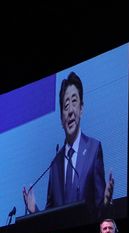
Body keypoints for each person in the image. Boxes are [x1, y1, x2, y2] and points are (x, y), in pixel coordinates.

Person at [22, 71, 114, 219]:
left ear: (81, 108)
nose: (70, 110)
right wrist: (35, 210)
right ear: (61, 119)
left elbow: (99, 211)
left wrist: (105, 202)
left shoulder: (94, 148)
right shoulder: (55, 163)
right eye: (65, 106)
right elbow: (51, 216)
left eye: (74, 101)